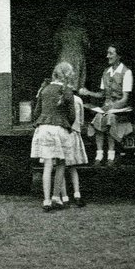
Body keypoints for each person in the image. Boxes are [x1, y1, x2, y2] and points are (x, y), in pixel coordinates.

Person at [30, 62, 87, 212]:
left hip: (43, 129)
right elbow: (72, 115)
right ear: (67, 76)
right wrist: (65, 124)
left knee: (48, 165)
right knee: (61, 163)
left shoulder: (44, 89)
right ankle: (56, 196)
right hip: (60, 130)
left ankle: (46, 201)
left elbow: (36, 113)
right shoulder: (67, 91)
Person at [79, 44, 134, 165]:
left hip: (120, 108)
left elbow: (125, 99)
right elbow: (102, 95)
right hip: (107, 107)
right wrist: (88, 92)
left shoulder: (126, 72)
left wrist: (111, 107)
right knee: (99, 118)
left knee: (109, 118)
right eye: (107, 53)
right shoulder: (106, 72)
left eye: (110, 53)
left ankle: (111, 155)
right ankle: (99, 154)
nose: (107, 56)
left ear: (118, 56)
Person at [55, 12, 90, 89]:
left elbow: (56, 46)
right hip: (77, 56)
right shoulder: (81, 31)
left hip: (63, 57)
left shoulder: (61, 31)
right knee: (76, 81)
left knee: (61, 80)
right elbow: (87, 45)